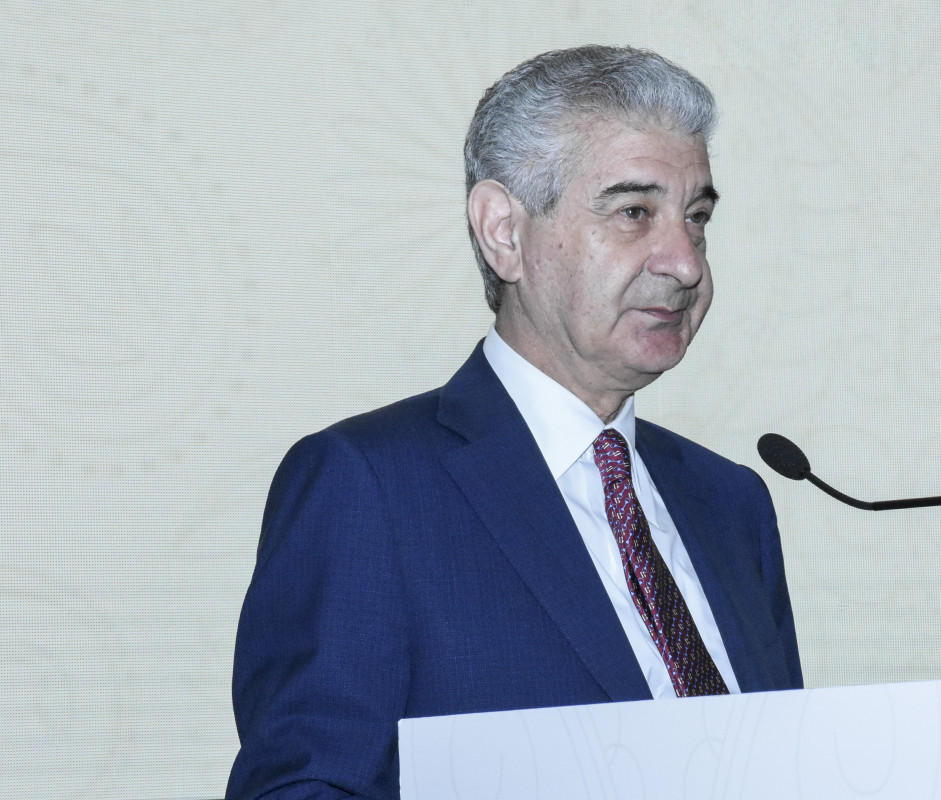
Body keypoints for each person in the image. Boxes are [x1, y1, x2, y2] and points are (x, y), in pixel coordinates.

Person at [226, 45, 803, 800]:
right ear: (504, 231)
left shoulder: (732, 503)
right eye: (634, 212)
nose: (686, 262)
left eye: (695, 218)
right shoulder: (369, 487)